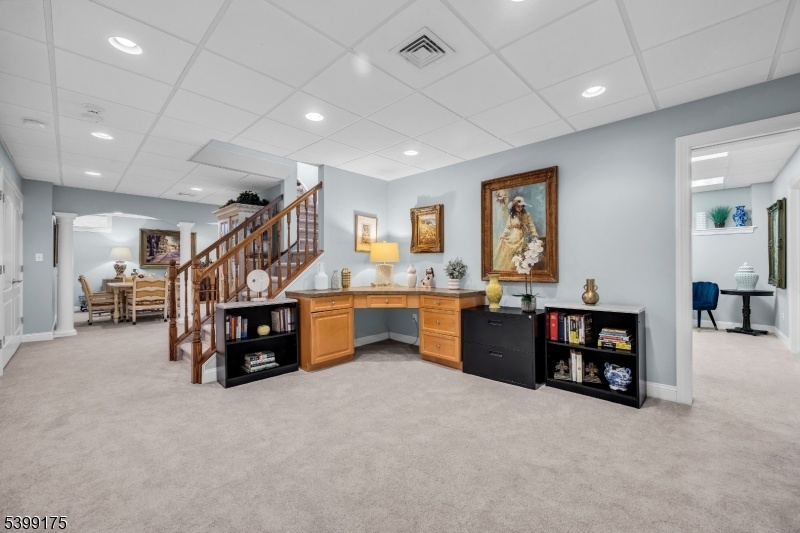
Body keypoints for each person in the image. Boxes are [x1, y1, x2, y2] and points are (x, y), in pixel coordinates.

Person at [493, 196, 538, 271]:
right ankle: (512, 268)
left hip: (523, 236)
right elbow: (507, 227)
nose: (520, 208)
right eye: (518, 206)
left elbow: (531, 225)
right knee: (510, 252)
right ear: (514, 207)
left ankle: (521, 269)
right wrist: (503, 235)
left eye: (522, 206)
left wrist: (534, 234)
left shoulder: (526, 214)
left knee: (522, 254)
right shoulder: (511, 216)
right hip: (513, 237)